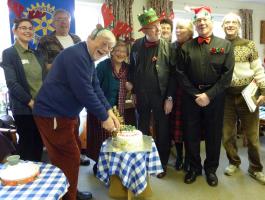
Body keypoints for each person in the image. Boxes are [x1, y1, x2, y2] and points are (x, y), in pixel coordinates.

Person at [33, 28, 120, 200]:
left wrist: (109, 111)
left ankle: (70, 190)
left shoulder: (88, 58)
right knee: (68, 158)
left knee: (71, 155)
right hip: (53, 115)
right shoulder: (76, 56)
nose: (106, 50)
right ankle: (67, 196)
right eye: (104, 44)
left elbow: (95, 86)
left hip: (66, 115)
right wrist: (104, 118)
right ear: (90, 38)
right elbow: (84, 92)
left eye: (110, 48)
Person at [176, 6, 234, 186]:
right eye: (198, 21)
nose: (202, 23)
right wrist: (196, 94)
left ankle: (211, 170)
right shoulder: (186, 47)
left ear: (211, 22)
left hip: (215, 97)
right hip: (190, 97)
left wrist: (208, 95)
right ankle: (194, 168)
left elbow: (227, 76)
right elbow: (180, 73)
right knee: (190, 134)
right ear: (195, 24)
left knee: (213, 135)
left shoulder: (225, 46)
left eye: (205, 19)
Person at [37, 9, 90, 167]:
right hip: (58, 93)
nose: (63, 22)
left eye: (66, 19)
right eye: (59, 19)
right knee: (62, 127)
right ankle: (63, 160)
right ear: (53, 22)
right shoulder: (45, 40)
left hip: (76, 89)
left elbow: (85, 62)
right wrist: (66, 63)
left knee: (75, 123)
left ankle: (77, 154)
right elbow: (43, 66)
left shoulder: (77, 39)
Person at [222, 13, 265, 185]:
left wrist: (264, 90)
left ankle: (255, 168)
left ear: (239, 25)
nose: (230, 25)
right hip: (226, 97)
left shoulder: (249, 45)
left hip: (248, 95)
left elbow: (258, 69)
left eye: (233, 22)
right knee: (227, 135)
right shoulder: (219, 46)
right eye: (227, 22)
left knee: (252, 137)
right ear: (222, 26)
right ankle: (234, 162)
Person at [128, 8, 174, 178]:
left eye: (158, 26)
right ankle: (143, 161)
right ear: (145, 30)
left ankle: (161, 164)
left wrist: (169, 97)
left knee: (163, 130)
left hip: (161, 96)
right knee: (142, 128)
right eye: (153, 27)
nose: (158, 29)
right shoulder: (136, 45)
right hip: (141, 94)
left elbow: (173, 76)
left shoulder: (168, 47)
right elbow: (132, 69)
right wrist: (133, 91)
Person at [1, 18, 44, 162]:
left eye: (30, 28)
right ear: (15, 31)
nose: (27, 31)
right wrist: (30, 102)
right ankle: (23, 179)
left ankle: (36, 176)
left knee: (39, 144)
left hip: (41, 107)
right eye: (23, 28)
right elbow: (12, 84)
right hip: (24, 109)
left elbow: (44, 80)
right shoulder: (9, 53)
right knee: (27, 145)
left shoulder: (37, 53)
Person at [87, 40, 129, 174]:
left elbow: (133, 84)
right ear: (111, 52)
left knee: (115, 139)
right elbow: (93, 87)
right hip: (101, 109)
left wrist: (131, 86)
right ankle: (99, 164)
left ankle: (113, 165)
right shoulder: (102, 66)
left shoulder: (127, 68)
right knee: (101, 139)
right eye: (117, 50)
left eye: (123, 51)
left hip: (119, 110)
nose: (120, 54)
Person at [170, 19, 193, 171]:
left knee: (190, 128)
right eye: (177, 28)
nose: (178, 31)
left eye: (182, 28)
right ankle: (179, 156)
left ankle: (190, 160)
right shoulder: (172, 46)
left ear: (190, 31)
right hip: (175, 91)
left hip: (191, 93)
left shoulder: (196, 45)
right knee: (176, 128)